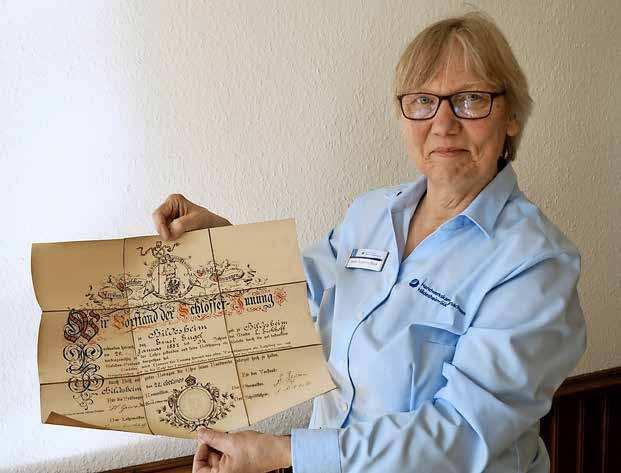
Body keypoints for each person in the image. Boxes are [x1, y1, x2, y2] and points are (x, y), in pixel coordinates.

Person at [152, 12, 586, 473]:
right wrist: (220, 244)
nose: (443, 123)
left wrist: (286, 452)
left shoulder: (536, 265)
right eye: (423, 101)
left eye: (470, 99)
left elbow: (461, 435)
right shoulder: (373, 213)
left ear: (512, 115)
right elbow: (295, 295)